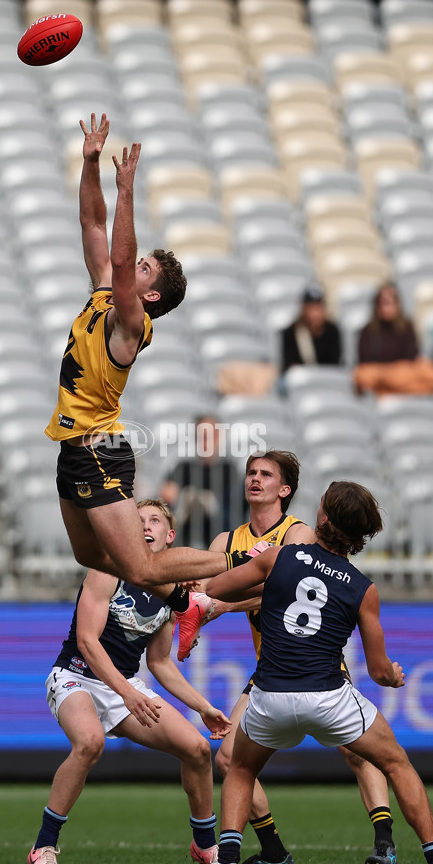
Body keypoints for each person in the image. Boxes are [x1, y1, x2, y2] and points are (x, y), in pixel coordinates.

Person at [177, 481, 433, 864]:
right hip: (330, 698)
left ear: (322, 519)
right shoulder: (363, 589)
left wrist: (252, 571)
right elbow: (379, 670)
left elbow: (216, 588)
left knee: (241, 768)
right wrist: (395, 676)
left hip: (270, 698)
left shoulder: (281, 557)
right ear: (362, 535)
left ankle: (227, 862)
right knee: (397, 763)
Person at [43, 113, 248, 617]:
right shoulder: (106, 296)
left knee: (141, 569)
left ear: (150, 293)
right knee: (89, 554)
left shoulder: (131, 324)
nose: (133, 268)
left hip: (99, 449)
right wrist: (90, 162)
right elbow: (91, 223)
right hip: (75, 449)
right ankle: (185, 601)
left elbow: (116, 256)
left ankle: (244, 559)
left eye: (144, 269)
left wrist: (126, 189)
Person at [176, 451, 398, 864]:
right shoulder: (226, 542)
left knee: (356, 753)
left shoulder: (297, 535)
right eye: (251, 473)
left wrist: (221, 604)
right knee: (227, 760)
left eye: (266, 474)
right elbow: (203, 589)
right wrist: (189, 596)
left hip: (316, 662)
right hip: (270, 668)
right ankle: (274, 851)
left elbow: (291, 592)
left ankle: (384, 841)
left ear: (285, 490)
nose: (255, 479)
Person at [27, 499, 231, 864]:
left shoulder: (171, 592)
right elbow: (87, 641)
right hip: (76, 676)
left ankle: (204, 846)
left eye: (154, 520)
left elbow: (160, 663)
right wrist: (128, 693)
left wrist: (202, 706)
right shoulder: (108, 567)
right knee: (90, 743)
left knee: (198, 749)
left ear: (169, 536)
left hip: (123, 688)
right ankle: (44, 846)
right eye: (137, 520)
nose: (145, 526)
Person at [160, 415, 242, 548]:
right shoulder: (182, 468)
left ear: (218, 437)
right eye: (202, 436)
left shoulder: (229, 469)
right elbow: (166, 495)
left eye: (210, 436)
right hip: (185, 536)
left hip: (219, 536)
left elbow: (235, 508)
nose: (206, 441)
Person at [354, 283, 433, 396]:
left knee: (427, 370)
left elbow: (412, 359)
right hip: (380, 377)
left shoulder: (408, 327)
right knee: (361, 375)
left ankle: (389, 390)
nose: (388, 307)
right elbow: (365, 365)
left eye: (392, 302)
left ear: (398, 304)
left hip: (400, 376)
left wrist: (390, 375)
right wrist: (390, 374)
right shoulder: (367, 331)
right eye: (384, 303)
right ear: (377, 305)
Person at [281, 283, 342, 372]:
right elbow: (290, 367)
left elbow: (335, 365)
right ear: (304, 308)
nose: (315, 313)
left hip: (327, 381)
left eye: (319, 307)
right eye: (312, 308)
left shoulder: (332, 332)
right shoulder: (291, 333)